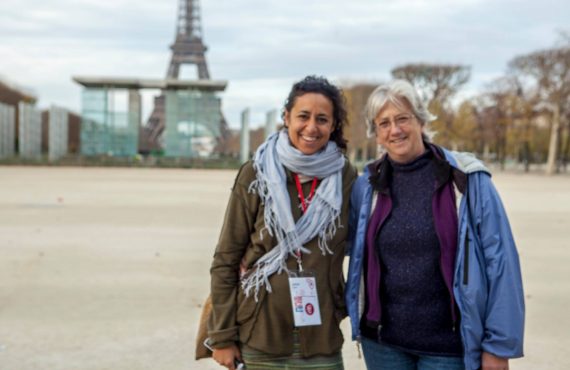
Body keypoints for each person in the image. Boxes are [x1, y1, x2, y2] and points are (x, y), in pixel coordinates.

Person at [345, 79, 525, 370]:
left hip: (448, 347)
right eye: (384, 123)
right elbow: (343, 246)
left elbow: (501, 262)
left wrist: (499, 346)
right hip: (381, 344)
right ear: (376, 134)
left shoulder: (468, 179)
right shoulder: (366, 186)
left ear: (420, 121)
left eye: (403, 118)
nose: (395, 130)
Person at [207, 75, 357, 370]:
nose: (311, 127)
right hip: (260, 332)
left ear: (333, 125)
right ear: (286, 117)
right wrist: (222, 336)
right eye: (303, 116)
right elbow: (226, 258)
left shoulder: (346, 176)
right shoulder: (255, 173)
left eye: (322, 119)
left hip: (321, 335)